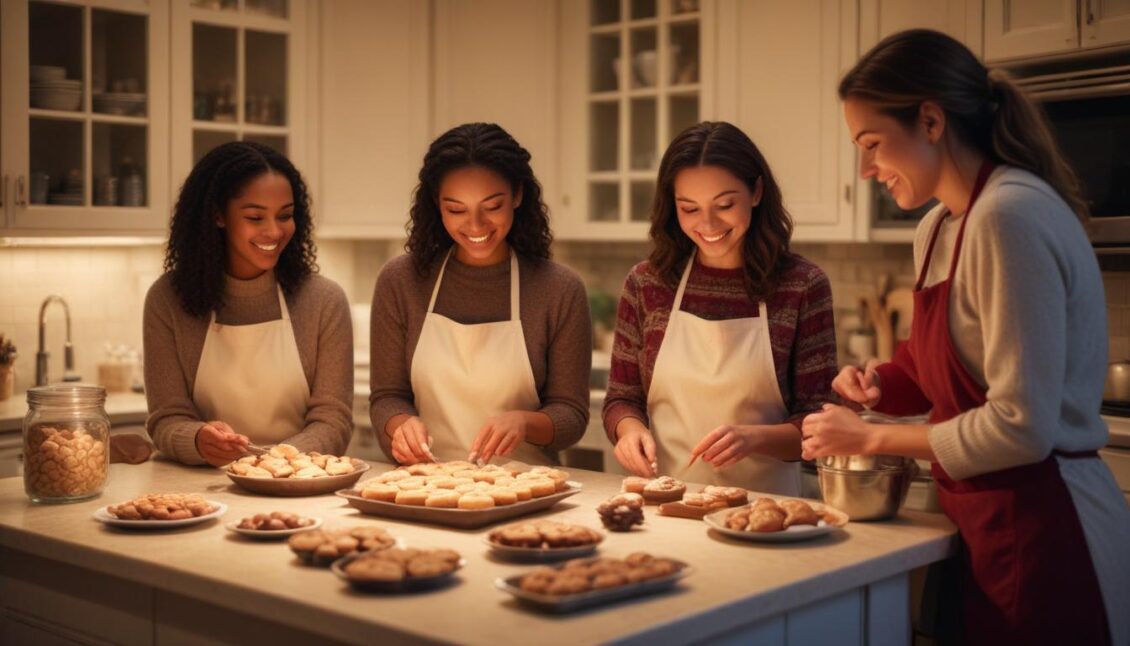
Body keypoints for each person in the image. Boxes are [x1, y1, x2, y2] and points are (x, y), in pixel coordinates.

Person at [801, 29, 1129, 646]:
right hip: (980, 529)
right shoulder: (938, 227)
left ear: (930, 121)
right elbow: (932, 367)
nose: (865, 170)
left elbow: (1020, 427)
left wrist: (869, 436)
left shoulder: (1009, 217)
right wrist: (880, 386)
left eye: (872, 144)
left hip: (1050, 534)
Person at [603, 121, 837, 494]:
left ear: (756, 191)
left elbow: (819, 424)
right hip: (666, 503)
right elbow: (622, 399)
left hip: (766, 508)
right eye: (689, 208)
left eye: (725, 205)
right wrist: (629, 431)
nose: (708, 223)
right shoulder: (647, 284)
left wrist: (754, 439)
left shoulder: (801, 285)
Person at [369, 122, 591, 466]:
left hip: (526, 485)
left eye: (492, 206)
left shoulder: (559, 289)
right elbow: (387, 397)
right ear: (436, 204)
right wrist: (399, 426)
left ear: (517, 195)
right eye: (456, 209)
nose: (475, 225)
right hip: (427, 483)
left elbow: (571, 415)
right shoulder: (401, 281)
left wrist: (524, 423)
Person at [144, 141, 353, 466]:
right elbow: (166, 418)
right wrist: (197, 439)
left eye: (285, 216)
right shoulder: (167, 299)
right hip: (199, 485)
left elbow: (332, 421)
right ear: (218, 215)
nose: (274, 231)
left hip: (296, 479)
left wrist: (272, 462)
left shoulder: (324, 301)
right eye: (255, 217)